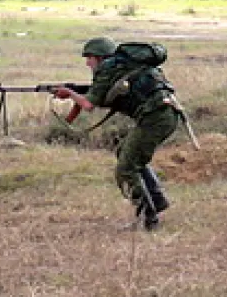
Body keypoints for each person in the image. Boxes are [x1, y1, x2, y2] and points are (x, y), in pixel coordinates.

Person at [53, 37, 178, 230]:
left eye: (90, 58)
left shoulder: (108, 69)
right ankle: (157, 200)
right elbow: (107, 95)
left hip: (155, 118)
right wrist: (76, 90)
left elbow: (88, 105)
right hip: (165, 114)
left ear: (100, 58)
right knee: (126, 154)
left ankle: (149, 217)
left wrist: (69, 94)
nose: (87, 63)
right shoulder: (122, 67)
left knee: (126, 168)